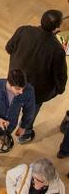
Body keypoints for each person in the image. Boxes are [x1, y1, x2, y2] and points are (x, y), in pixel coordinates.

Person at [5, 10, 67, 144]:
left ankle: (4, 131)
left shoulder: (23, 30)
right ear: (57, 28)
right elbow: (60, 75)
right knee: (30, 113)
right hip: (37, 92)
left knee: (11, 106)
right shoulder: (57, 50)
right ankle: (24, 134)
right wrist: (59, 89)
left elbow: (9, 48)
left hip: (15, 82)